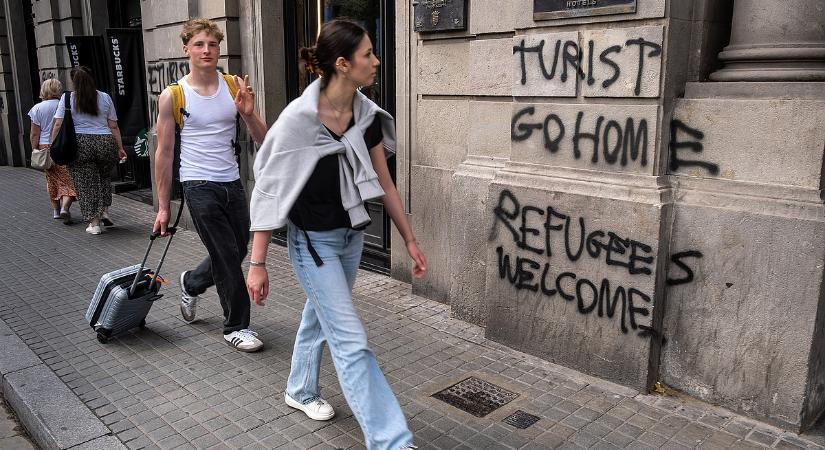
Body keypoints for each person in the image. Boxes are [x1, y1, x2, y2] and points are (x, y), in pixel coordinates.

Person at [246, 19, 426, 450]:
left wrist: (410, 239)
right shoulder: (298, 121)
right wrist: (257, 263)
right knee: (352, 343)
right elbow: (270, 190)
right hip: (314, 246)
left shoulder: (365, 115)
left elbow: (384, 182)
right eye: (368, 54)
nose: (376, 61)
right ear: (343, 64)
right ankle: (392, 442)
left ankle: (299, 389)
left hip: (351, 239)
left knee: (320, 316)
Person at [152, 18, 268, 352]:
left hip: (231, 182)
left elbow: (265, 139)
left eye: (213, 45)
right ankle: (236, 326)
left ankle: (192, 281)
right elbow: (164, 153)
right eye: (200, 44)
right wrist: (163, 207)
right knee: (228, 255)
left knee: (238, 248)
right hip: (197, 184)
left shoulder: (233, 86)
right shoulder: (173, 96)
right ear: (186, 49)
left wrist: (248, 113)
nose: (207, 50)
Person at [52, 67, 127, 235]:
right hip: (105, 142)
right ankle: (105, 211)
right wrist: (120, 147)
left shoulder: (67, 98)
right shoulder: (105, 97)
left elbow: (58, 124)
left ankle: (94, 223)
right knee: (104, 178)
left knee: (86, 184)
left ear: (73, 81)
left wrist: (53, 145)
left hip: (80, 144)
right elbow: (113, 125)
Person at [29, 78, 76, 223]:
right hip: (63, 146)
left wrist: (34, 148)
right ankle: (65, 208)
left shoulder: (37, 109)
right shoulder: (66, 104)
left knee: (52, 180)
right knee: (69, 180)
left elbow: (34, 133)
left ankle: (56, 210)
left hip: (44, 147)